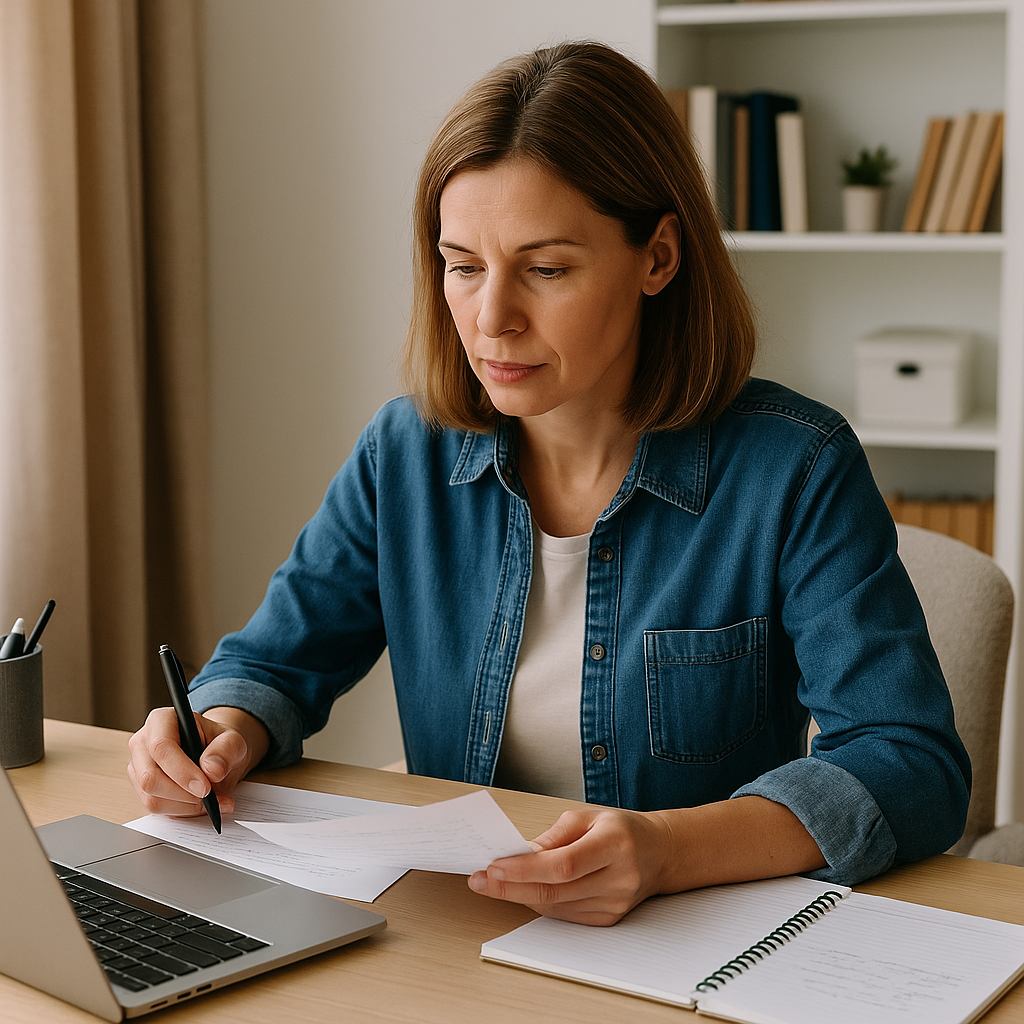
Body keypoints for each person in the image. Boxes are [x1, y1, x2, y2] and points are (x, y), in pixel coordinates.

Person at [128, 41, 970, 927]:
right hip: (462, 933)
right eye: (463, 265)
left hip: (688, 943)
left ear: (658, 258)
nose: (491, 319)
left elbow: (909, 760)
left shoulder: (793, 466)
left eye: (547, 269)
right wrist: (215, 734)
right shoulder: (406, 453)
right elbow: (271, 666)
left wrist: (670, 848)